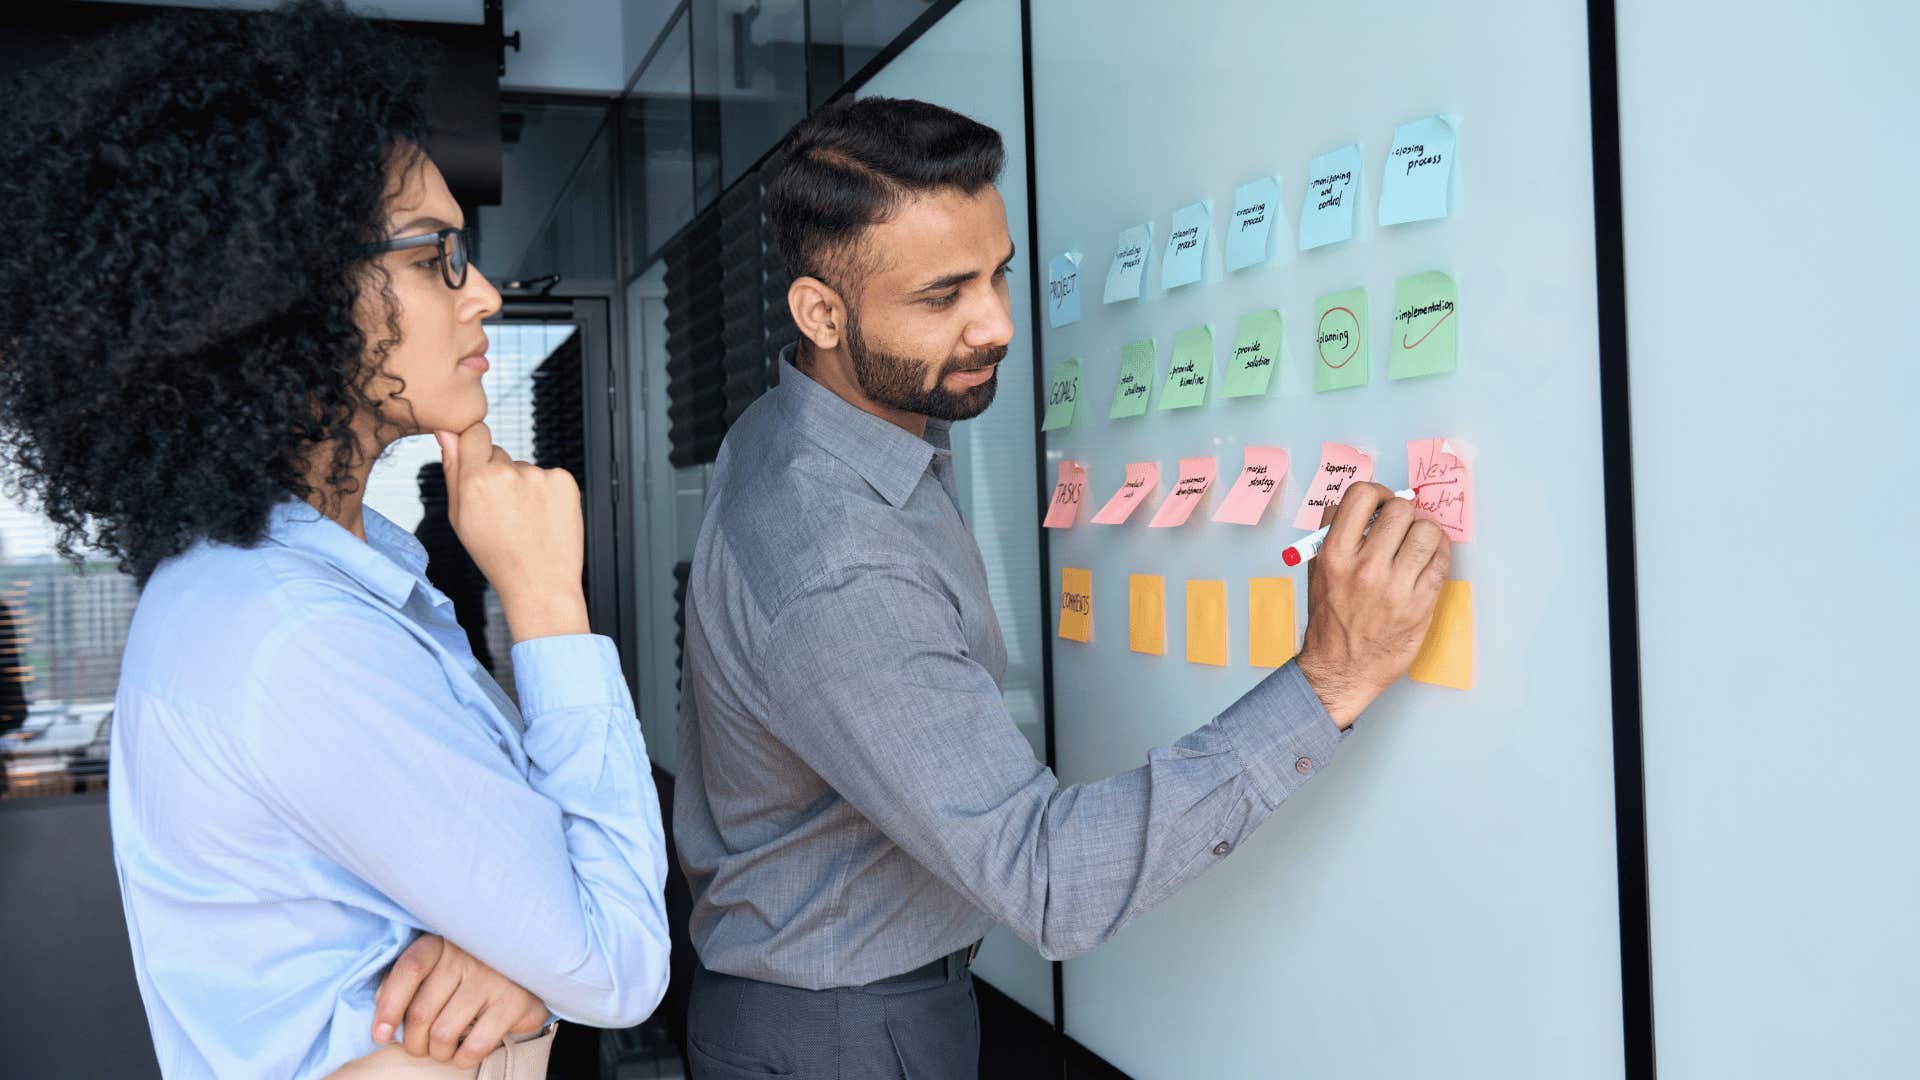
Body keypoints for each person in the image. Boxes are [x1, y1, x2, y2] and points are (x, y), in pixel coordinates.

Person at [674, 96, 1452, 1078]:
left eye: (997, 273)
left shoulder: (806, 426)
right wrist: (1329, 680)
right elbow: (1049, 883)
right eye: (942, 295)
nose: (997, 323)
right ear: (820, 313)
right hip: (842, 1037)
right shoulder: (837, 562)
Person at [0, 4, 669, 1076]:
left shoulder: (327, 580)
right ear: (284, 291)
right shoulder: (290, 636)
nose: (485, 295)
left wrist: (522, 951)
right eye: (436, 254)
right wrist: (549, 599)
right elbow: (621, 960)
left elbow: (546, 901)